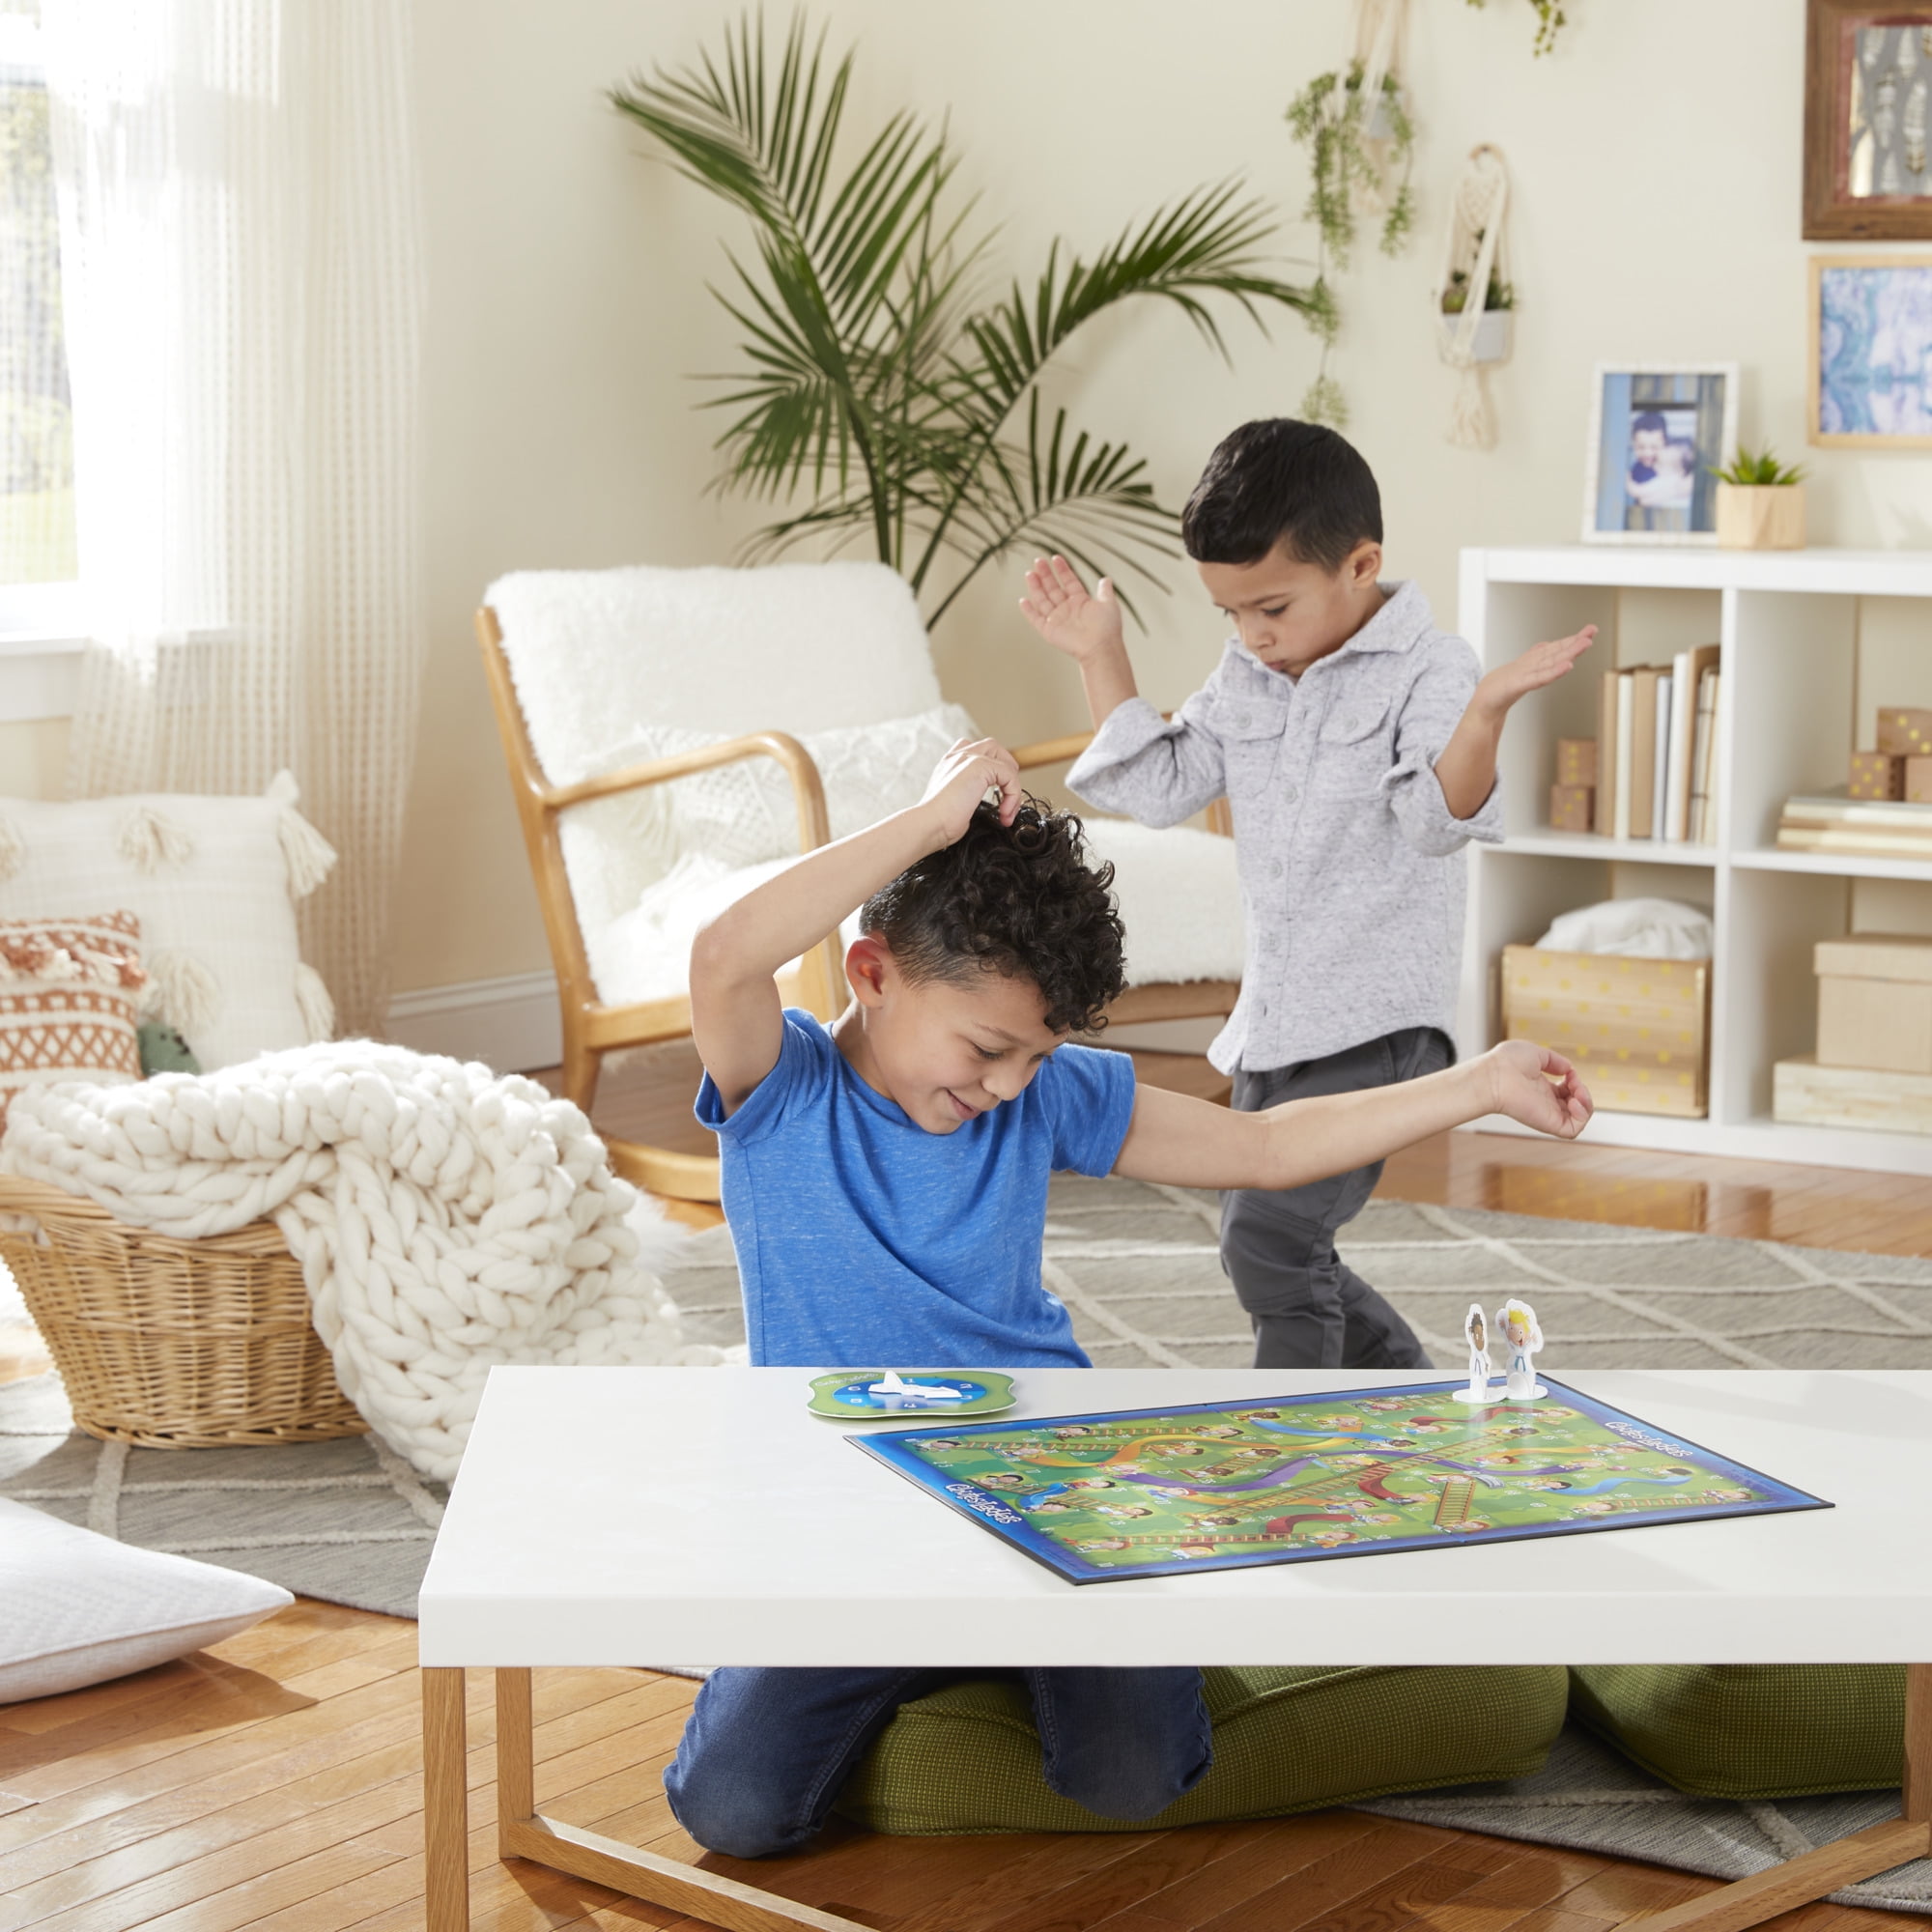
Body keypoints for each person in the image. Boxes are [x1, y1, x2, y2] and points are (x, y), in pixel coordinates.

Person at [662, 733, 1592, 1858]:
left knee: (1133, 1770)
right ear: (871, 971)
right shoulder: (779, 1086)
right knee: (729, 1807)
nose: (1005, 1084)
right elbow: (723, 953)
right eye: (986, 1046)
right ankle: (960, 1641)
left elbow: (1264, 1145)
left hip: (1046, 1483)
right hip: (850, 1517)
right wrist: (931, 821)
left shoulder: (1040, 1093)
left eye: (1034, 1055)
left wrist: (1478, 1082)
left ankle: (1084, 1616)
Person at [1020, 417, 1596, 1374]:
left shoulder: (1431, 667)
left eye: (1273, 607)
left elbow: (1433, 820)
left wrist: (1484, 714)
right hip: (1276, 1023)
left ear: (1361, 564)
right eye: (1231, 614)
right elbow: (1160, 786)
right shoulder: (1247, 673)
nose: (1253, 634)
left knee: (1268, 1240)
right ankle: (1401, 1381)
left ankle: (1282, 1424)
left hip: (1377, 1025)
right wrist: (1097, 653)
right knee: (1270, 1246)